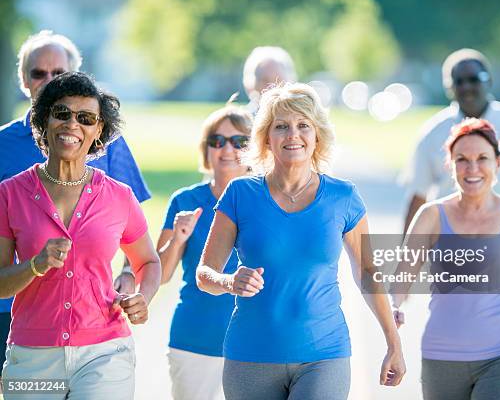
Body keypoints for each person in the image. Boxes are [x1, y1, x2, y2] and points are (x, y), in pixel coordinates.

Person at [196, 83, 405, 400]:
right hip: (250, 354)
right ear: (267, 137)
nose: (293, 135)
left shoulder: (343, 197)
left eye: (303, 125)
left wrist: (393, 342)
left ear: (317, 135)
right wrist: (228, 281)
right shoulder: (240, 194)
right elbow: (204, 274)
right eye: (281, 126)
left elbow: (367, 271)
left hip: (324, 354)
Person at [0, 71, 161, 399]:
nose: (73, 124)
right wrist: (35, 264)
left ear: (98, 130)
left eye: (86, 118)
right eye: (62, 113)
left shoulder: (119, 196)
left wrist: (143, 296)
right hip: (32, 356)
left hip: (105, 353)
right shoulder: (9, 194)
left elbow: (147, 261)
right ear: (44, 120)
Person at [393, 118, 500, 400]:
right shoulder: (431, 216)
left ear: (499, 162)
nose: (472, 168)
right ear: (449, 165)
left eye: (483, 158)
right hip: (442, 353)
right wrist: (394, 306)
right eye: (462, 159)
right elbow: (404, 273)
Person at [399, 48, 500, 262]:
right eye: (458, 81)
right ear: (448, 87)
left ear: (489, 81)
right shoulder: (432, 132)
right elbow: (417, 197)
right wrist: (407, 258)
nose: (466, 86)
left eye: (473, 79)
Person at [157, 105, 252, 400]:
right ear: (206, 148)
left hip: (255, 345)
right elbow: (159, 276)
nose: (227, 149)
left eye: (239, 142)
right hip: (194, 340)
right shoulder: (184, 201)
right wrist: (177, 239)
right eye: (218, 140)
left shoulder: (268, 199)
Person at [242, 46, 297, 113]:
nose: (272, 86)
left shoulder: (303, 117)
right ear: (253, 84)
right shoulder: (244, 121)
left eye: (278, 80)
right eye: (265, 80)